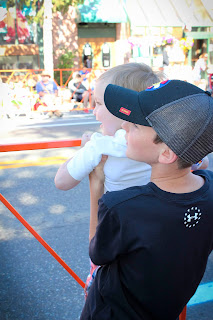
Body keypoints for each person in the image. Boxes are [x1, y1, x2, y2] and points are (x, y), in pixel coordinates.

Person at [55, 64, 208, 297]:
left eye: (97, 104)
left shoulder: (100, 145)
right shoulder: (167, 146)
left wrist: (85, 151)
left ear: (123, 110)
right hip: (160, 247)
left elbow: (62, 181)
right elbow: (200, 163)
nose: (93, 111)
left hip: (115, 240)